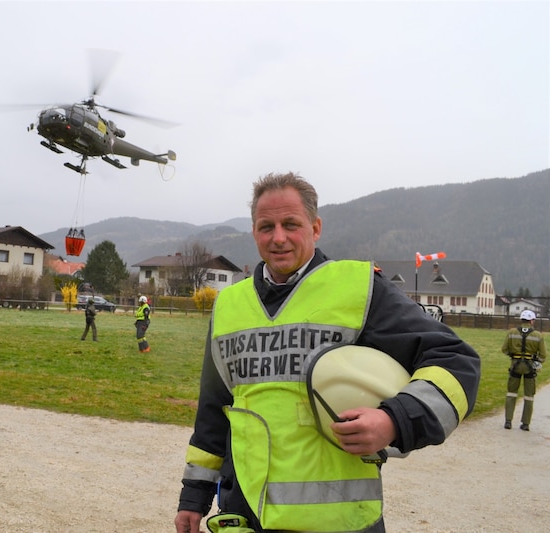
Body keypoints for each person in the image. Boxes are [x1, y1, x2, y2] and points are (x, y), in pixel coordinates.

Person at [174, 172, 481, 533]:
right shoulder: (229, 305)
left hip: (340, 522)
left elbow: (456, 361)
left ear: (315, 227)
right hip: (246, 516)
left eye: (291, 224)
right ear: (253, 231)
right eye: (265, 226)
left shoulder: (358, 288)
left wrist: (394, 421)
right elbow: (215, 408)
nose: (278, 238)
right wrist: (194, 496)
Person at [502, 309, 546, 431]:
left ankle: (508, 421)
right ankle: (525, 423)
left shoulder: (511, 333)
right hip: (530, 368)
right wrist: (537, 364)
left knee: (511, 394)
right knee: (529, 396)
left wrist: (513, 356)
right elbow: (543, 355)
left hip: (515, 366)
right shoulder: (538, 335)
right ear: (532, 321)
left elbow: (504, 349)